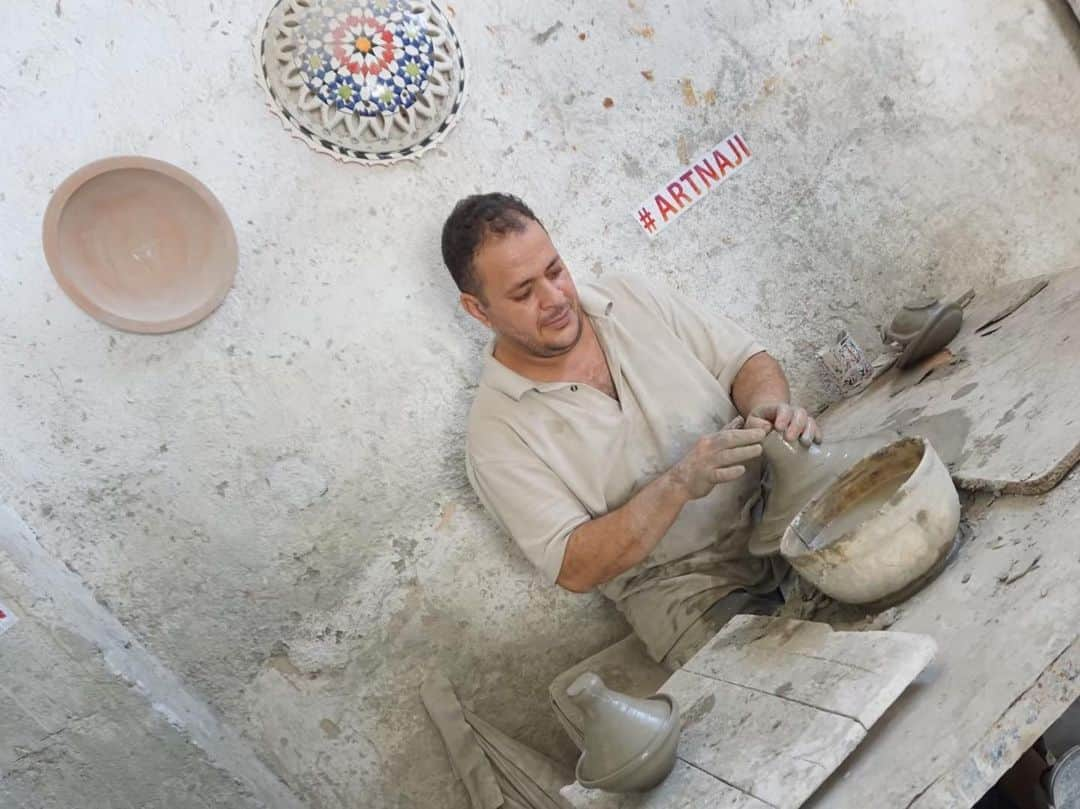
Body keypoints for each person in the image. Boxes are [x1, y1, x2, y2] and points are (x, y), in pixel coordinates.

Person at [441, 192, 822, 674]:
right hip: (689, 594)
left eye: (555, 271)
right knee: (794, 681)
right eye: (523, 293)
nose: (555, 298)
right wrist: (677, 484)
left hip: (781, 510)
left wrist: (769, 407)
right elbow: (575, 566)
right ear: (478, 310)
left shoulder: (630, 298)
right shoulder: (495, 435)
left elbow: (747, 361)